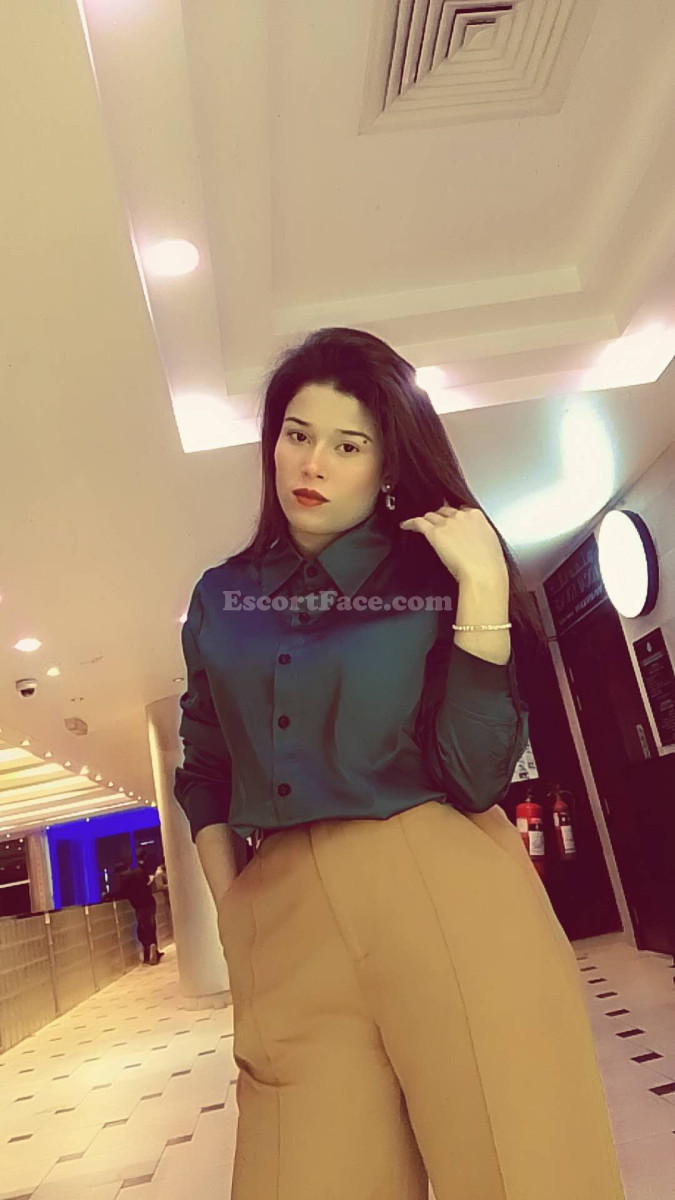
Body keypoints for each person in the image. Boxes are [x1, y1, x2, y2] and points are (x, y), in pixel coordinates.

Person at [174, 328, 625, 1199]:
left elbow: (476, 774)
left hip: (443, 885)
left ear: (386, 466)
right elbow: (205, 763)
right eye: (297, 434)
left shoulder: (432, 574)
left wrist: (482, 587)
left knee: (520, 1170)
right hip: (282, 911)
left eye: (348, 445)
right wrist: (236, 909)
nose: (312, 463)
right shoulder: (220, 597)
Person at [107, 855, 164, 965]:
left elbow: (121, 893)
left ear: (118, 873)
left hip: (140, 906)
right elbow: (147, 881)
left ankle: (148, 953)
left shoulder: (124, 878)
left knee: (143, 929)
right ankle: (154, 950)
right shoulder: (137, 872)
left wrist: (108, 896)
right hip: (150, 902)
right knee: (151, 927)